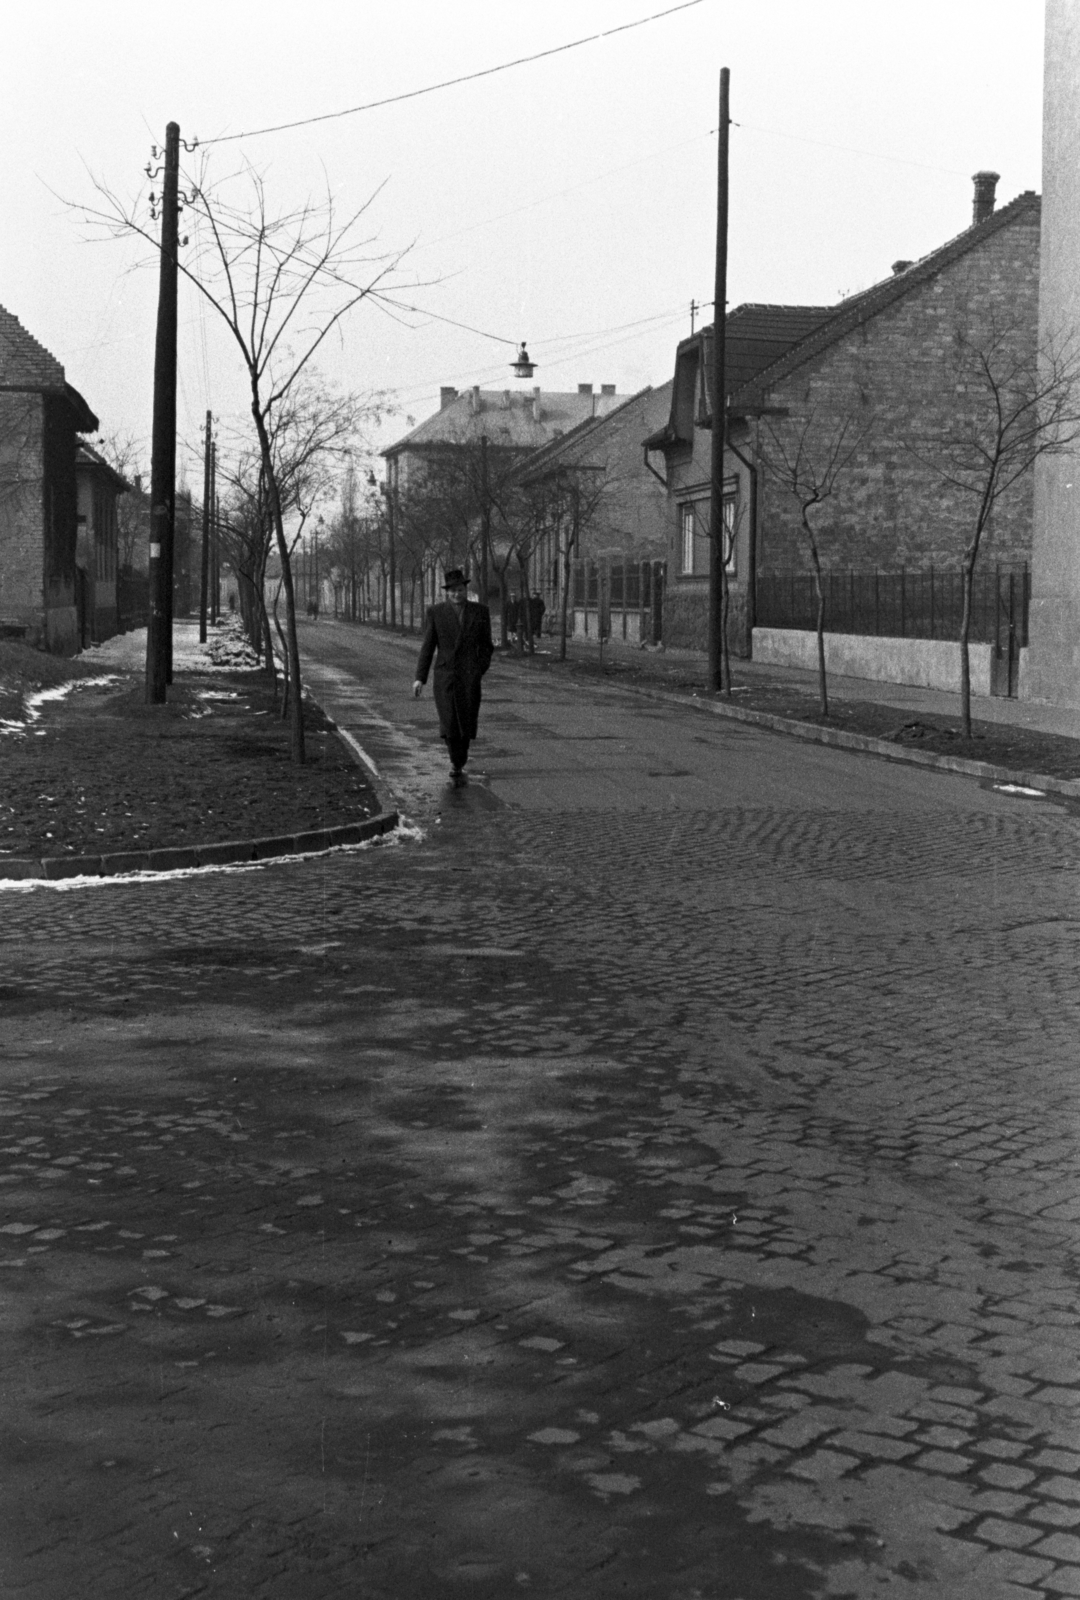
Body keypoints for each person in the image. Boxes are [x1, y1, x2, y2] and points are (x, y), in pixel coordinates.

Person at [413, 569, 494, 787]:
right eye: (452, 591)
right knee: (448, 720)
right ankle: (455, 761)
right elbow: (428, 647)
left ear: (466, 590)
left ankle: (461, 757)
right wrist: (420, 677)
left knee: (466, 719)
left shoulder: (480, 612)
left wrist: (478, 669)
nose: (456, 594)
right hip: (445, 676)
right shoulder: (436, 613)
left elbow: (486, 646)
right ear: (446, 593)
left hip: (469, 677)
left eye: (460, 590)